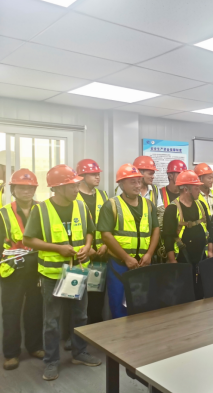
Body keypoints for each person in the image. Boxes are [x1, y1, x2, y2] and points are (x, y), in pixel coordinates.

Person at [23, 164, 101, 381]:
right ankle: (51, 361)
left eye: (77, 185)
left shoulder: (81, 206)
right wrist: (57, 249)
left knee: (80, 315)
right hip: (52, 275)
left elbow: (90, 232)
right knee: (52, 321)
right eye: (72, 185)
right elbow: (28, 240)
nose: (77, 189)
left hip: (77, 271)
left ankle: (79, 352)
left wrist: (87, 246)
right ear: (57, 188)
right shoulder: (41, 210)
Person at [97, 164, 160, 319]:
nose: (137, 185)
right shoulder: (111, 205)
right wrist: (126, 258)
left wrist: (149, 254)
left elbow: (155, 230)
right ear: (121, 184)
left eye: (139, 181)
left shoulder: (149, 205)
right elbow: (106, 235)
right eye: (132, 182)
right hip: (119, 264)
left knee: (143, 305)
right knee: (119, 306)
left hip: (143, 263)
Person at [0, 169, 43, 371]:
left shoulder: (43, 209)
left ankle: (35, 347)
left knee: (35, 309)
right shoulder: (3, 213)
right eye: (21, 187)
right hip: (13, 269)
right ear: (13, 190)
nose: (26, 191)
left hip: (37, 267)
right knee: (11, 311)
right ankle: (11, 354)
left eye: (30, 188)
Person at [163, 170, 212, 299]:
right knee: (184, 293)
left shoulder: (201, 205)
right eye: (196, 188)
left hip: (201, 257)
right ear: (186, 189)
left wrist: (210, 251)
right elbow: (167, 237)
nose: (199, 191)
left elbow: (210, 228)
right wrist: (172, 260)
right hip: (182, 258)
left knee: (201, 291)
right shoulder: (172, 209)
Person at [76, 159, 109, 326]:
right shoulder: (73, 196)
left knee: (97, 298)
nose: (98, 177)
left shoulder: (103, 196)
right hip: (80, 256)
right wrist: (85, 248)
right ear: (82, 176)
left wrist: (106, 244)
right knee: (77, 299)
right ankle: (76, 334)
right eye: (93, 174)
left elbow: (110, 223)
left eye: (98, 174)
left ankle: (96, 330)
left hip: (100, 256)